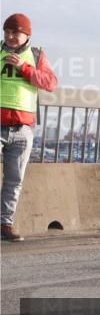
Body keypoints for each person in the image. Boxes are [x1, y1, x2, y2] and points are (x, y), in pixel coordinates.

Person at [1, 13, 59, 242]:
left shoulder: (36, 55)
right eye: (7, 32)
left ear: (27, 35)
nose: (10, 36)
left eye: (15, 32)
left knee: (14, 180)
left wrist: (24, 67)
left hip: (23, 129)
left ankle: (5, 223)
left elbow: (50, 83)